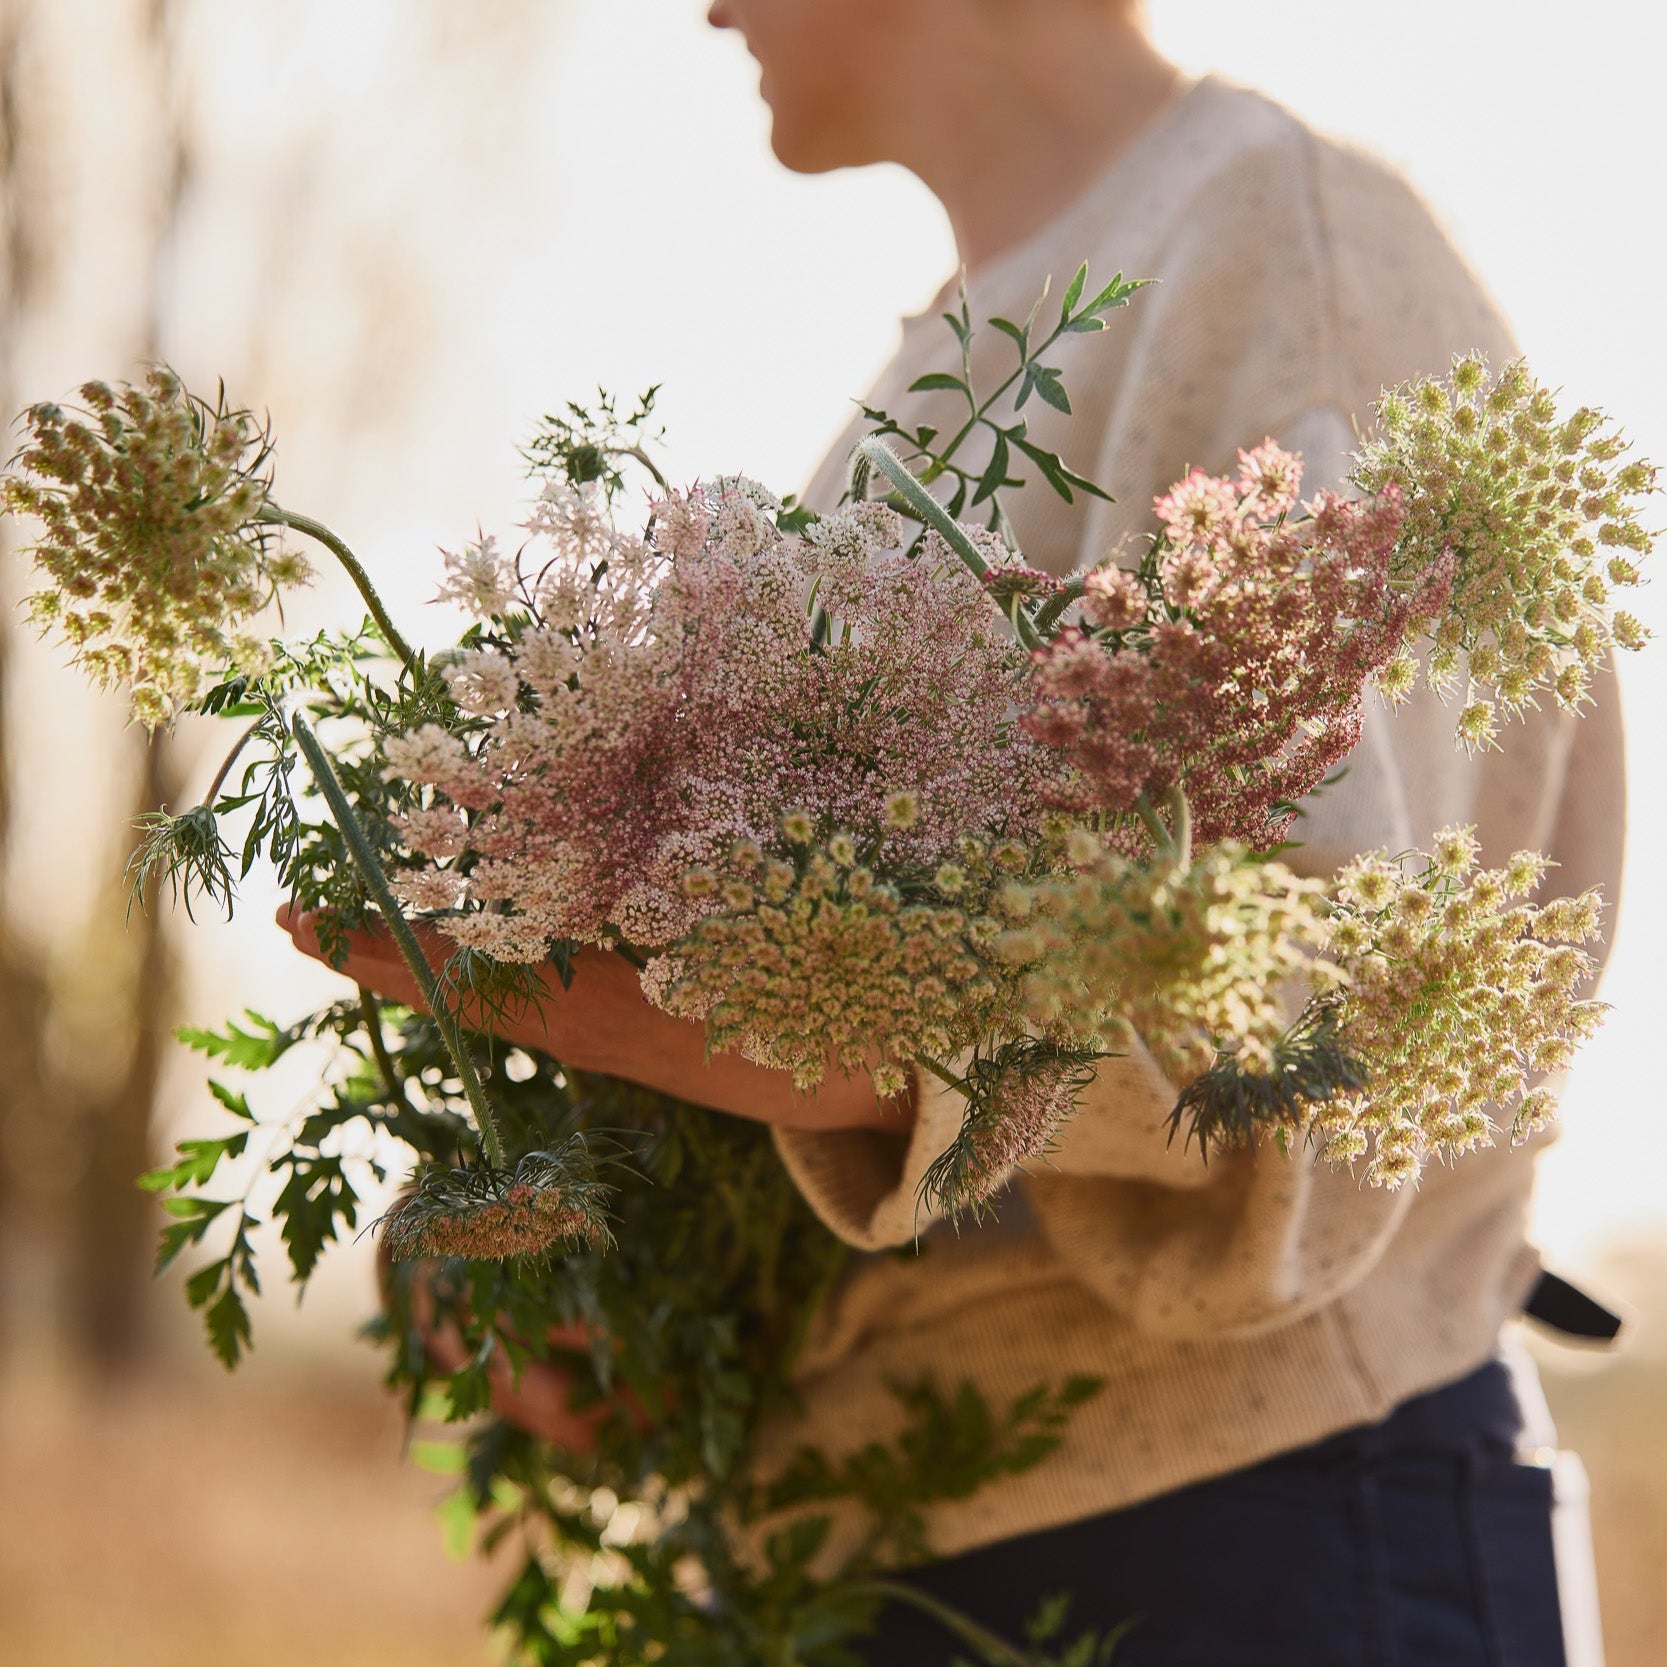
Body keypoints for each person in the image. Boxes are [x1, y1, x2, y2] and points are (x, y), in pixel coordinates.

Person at [286, 2, 1626, 1660]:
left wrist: (744, 1022)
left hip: (1243, 1535)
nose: (703, 5)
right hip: (892, 1552)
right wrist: (573, 1255)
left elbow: (1302, 1016)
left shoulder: (1284, 250)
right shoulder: (962, 345)